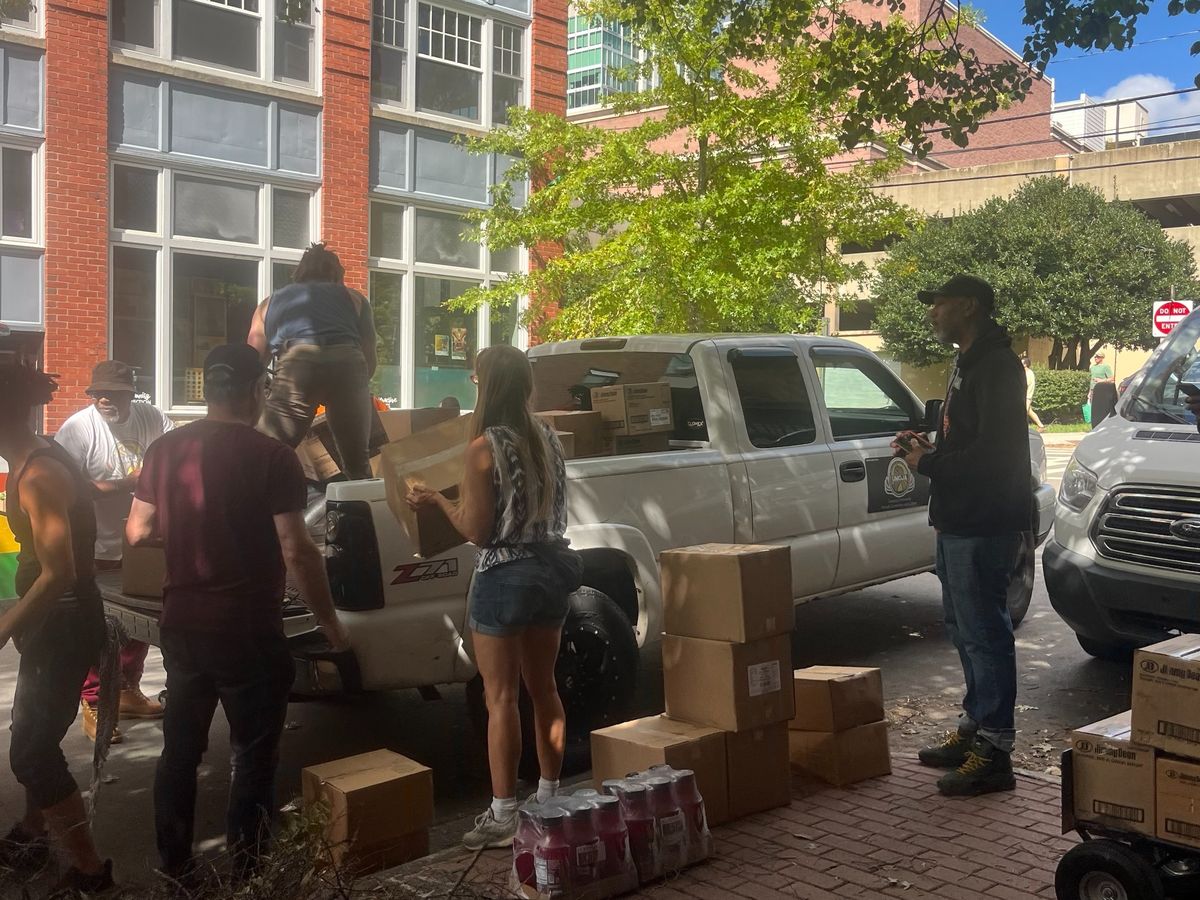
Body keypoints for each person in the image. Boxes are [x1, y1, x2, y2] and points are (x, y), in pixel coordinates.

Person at [126, 344, 351, 881]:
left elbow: (136, 531)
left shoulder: (164, 449)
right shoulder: (272, 456)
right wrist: (330, 625)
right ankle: (248, 877)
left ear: (208, 389)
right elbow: (296, 549)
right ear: (256, 391)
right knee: (252, 755)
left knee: (180, 752)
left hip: (183, 624)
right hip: (247, 630)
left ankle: (176, 869)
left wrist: (191, 534)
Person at [406, 344, 578, 850]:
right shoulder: (548, 436)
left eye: (477, 378)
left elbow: (477, 530)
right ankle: (549, 797)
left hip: (504, 576)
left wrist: (437, 500)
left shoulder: (483, 447)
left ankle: (504, 814)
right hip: (552, 570)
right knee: (544, 689)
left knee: (500, 697)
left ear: (488, 385)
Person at [893, 274, 1031, 798]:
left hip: (983, 522)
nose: (932, 312)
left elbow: (997, 455)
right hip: (957, 519)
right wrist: (928, 448)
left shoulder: (996, 366)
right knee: (963, 629)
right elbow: (968, 440)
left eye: (940, 303)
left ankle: (995, 752)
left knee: (985, 634)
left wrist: (928, 463)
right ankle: (975, 728)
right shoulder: (968, 362)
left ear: (969, 306)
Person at [0, 364, 113, 893]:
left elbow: (59, 573)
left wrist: (4, 627)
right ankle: (31, 831)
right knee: (38, 734)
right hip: (53, 620)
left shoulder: (39, 474)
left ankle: (91, 873)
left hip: (63, 621)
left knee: (30, 750)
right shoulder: (32, 457)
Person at [55, 360, 173, 743]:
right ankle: (94, 700)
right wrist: (130, 483)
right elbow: (71, 490)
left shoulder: (151, 418)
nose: (104, 399)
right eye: (98, 393)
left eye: (114, 393)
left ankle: (125, 690)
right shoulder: (78, 428)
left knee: (139, 623)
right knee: (97, 627)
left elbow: (174, 457)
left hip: (141, 542)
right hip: (94, 544)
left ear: (131, 395)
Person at [248, 243, 377, 480]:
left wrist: (262, 397)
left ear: (299, 272)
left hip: (298, 364)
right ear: (337, 274)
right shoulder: (355, 299)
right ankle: (362, 498)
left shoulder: (269, 304)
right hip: (348, 365)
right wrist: (349, 391)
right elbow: (369, 358)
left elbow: (252, 362)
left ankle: (252, 497)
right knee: (357, 463)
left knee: (264, 453)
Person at [1021, 355, 1045, 433]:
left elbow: (1026, 384)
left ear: (1025, 364)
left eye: (1021, 363)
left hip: (1027, 396)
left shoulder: (1029, 373)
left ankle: (1022, 428)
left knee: (1023, 412)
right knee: (1029, 411)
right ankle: (1041, 426)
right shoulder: (1025, 372)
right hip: (1025, 396)